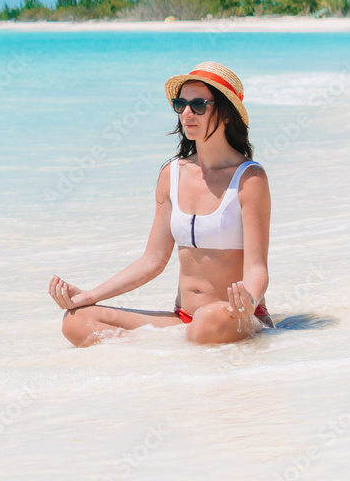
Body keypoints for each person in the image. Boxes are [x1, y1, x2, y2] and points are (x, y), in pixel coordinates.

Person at [49, 61, 274, 346]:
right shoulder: (172, 174)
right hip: (184, 319)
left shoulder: (249, 178)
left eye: (198, 105)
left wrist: (249, 300)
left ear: (226, 114)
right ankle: (157, 364)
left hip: (232, 317)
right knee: (76, 320)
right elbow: (152, 261)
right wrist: (89, 296)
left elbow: (257, 269)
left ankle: (187, 346)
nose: (187, 113)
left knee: (207, 323)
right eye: (181, 104)